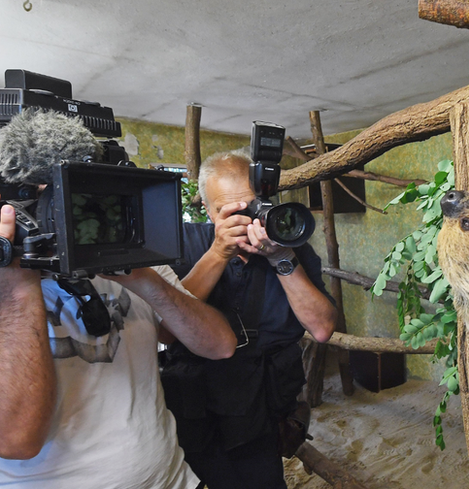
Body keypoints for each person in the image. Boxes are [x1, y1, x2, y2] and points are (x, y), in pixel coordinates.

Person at [0, 204, 238, 488]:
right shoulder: (10, 285)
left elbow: (220, 345)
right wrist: (17, 285)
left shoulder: (125, 255)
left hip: (171, 479)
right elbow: (15, 440)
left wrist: (144, 279)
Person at [163, 149, 338, 489]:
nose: (247, 221)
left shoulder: (290, 244)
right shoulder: (183, 244)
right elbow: (166, 331)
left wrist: (282, 257)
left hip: (262, 410)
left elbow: (322, 328)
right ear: (208, 210)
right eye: (231, 211)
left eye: (252, 206)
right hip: (194, 409)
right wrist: (218, 253)